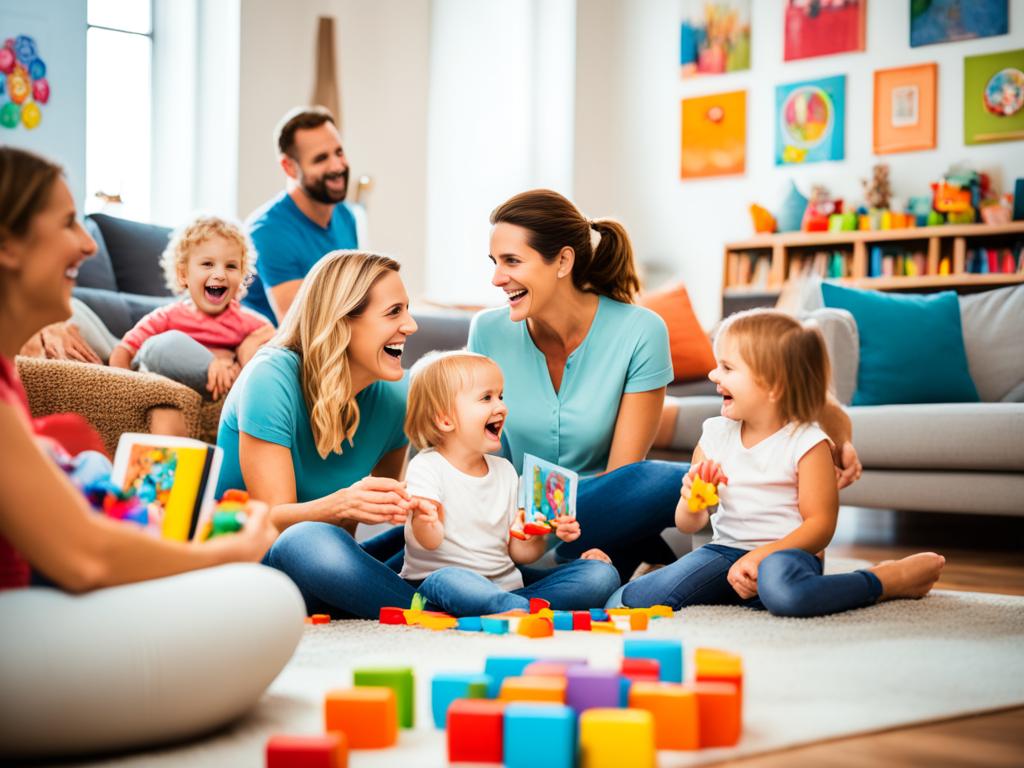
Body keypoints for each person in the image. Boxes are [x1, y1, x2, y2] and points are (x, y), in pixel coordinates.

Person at [0, 147, 304, 759]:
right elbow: (84, 556)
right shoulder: (161, 323)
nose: (88, 247)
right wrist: (225, 551)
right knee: (268, 598)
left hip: (37, 596)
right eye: (66, 224)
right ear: (8, 244)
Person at [469, 189, 863, 582]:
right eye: (495, 262)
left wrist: (837, 435)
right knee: (594, 572)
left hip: (604, 521)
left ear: (563, 261)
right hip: (517, 527)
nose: (497, 277)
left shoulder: (639, 330)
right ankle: (598, 563)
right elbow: (483, 455)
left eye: (512, 261)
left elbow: (623, 480)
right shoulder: (488, 331)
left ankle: (600, 566)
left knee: (659, 483)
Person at [618, 309, 945, 615]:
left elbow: (820, 526)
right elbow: (691, 524)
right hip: (725, 551)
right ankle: (741, 587)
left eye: (728, 368)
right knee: (638, 598)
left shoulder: (807, 443)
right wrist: (691, 502)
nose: (713, 374)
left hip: (787, 555)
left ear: (773, 385)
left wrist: (763, 555)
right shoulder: (715, 435)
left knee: (786, 594)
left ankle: (883, 580)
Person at [218, 250, 422, 619]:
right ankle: (433, 610)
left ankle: (496, 591)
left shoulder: (396, 395)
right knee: (307, 540)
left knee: (429, 543)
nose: (411, 325)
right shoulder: (272, 377)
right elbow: (273, 524)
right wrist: (343, 503)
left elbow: (384, 510)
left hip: (335, 566)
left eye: (407, 310)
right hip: (259, 563)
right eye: (394, 312)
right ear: (342, 321)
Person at [400, 351, 620, 616]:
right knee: (451, 579)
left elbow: (519, 553)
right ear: (445, 419)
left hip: (508, 589)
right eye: (486, 398)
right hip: (444, 584)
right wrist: (426, 521)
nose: (501, 407)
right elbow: (429, 542)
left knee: (599, 576)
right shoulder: (427, 467)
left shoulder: (505, 471)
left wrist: (545, 530)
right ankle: (521, 609)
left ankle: (511, 608)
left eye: (500, 396)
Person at [108, 216, 275, 400]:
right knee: (166, 344)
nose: (220, 274)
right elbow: (123, 351)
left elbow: (275, 336)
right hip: (159, 369)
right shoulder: (167, 317)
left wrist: (242, 358)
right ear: (183, 274)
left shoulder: (245, 321)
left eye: (231, 266)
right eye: (207, 264)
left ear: (242, 276)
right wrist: (126, 391)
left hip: (219, 386)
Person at [243, 106, 360, 324]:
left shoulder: (345, 216)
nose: (337, 166)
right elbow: (299, 328)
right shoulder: (267, 232)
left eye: (339, 152)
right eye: (321, 159)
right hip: (278, 349)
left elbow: (352, 297)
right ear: (289, 167)